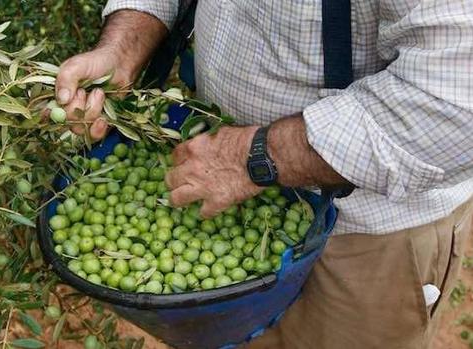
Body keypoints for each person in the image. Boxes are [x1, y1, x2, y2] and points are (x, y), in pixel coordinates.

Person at [54, 1, 473, 348]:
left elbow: (454, 103)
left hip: (365, 236)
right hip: (214, 180)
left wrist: (254, 157)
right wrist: (124, 48)